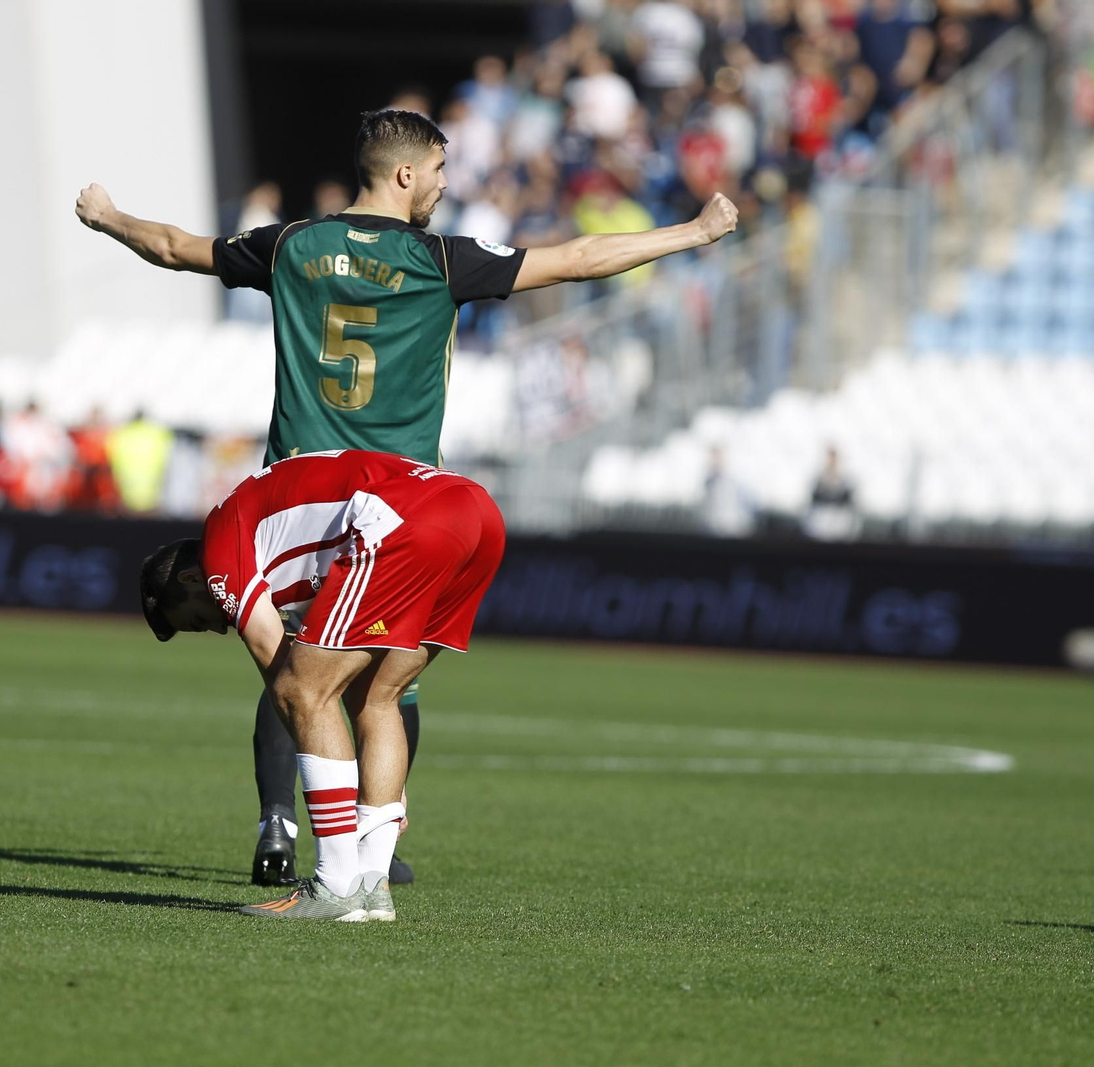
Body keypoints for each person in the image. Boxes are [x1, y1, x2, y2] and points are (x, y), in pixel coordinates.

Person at [76, 107, 737, 886]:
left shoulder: (289, 243)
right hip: (396, 499)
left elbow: (173, 248)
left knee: (293, 666)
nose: (444, 185)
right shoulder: (441, 260)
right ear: (404, 174)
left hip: (294, 492)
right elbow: (581, 258)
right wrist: (691, 233)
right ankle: (364, 846)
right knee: (388, 679)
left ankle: (277, 826)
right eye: (439, 172)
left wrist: (109, 215)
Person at [139, 450, 506, 921]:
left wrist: (348, 772)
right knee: (376, 697)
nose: (216, 629)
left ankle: (335, 886)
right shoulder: (271, 548)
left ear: (192, 578)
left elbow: (285, 678)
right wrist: (386, 791)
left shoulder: (219, 554)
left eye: (197, 619)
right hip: (476, 514)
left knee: (302, 692)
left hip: (403, 517)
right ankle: (372, 890)